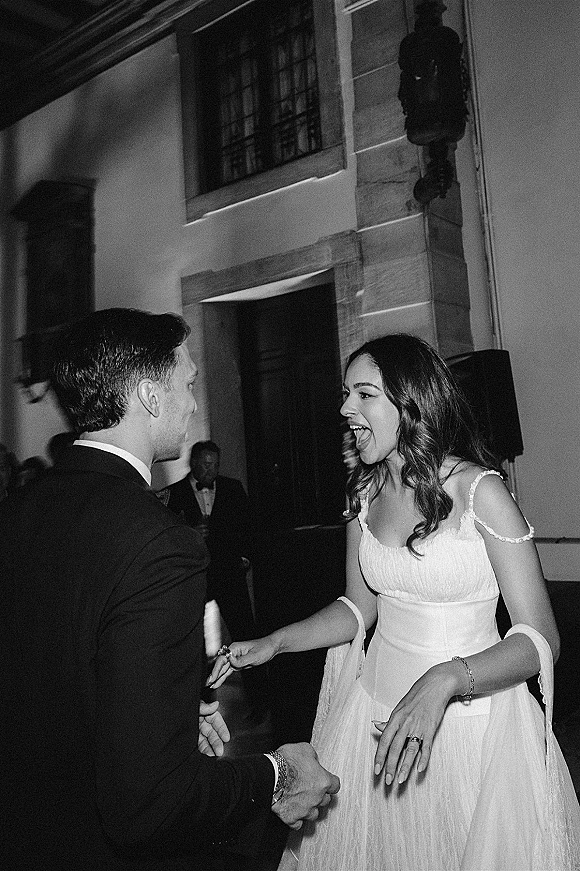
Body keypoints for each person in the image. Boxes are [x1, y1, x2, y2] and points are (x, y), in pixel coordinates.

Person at [210, 333, 580, 870]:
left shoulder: (481, 491)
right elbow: (359, 609)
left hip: (469, 728)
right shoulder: (364, 492)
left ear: (411, 402)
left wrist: (445, 679)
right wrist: (276, 642)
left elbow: (541, 637)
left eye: (364, 394)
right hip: (371, 717)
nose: (345, 409)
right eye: (346, 394)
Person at [0, 308, 339, 871]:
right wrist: (276, 775)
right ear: (150, 395)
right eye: (187, 384)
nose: (194, 405)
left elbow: (54, 674)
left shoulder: (19, 510)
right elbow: (149, 805)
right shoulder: (160, 544)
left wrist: (163, 714)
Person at [166, 440, 268, 722]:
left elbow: (248, 525)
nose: (211, 471)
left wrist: (245, 556)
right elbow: (168, 538)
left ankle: (260, 704)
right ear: (193, 464)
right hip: (194, 577)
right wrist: (189, 533)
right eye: (206, 465)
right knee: (193, 642)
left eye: (215, 465)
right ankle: (200, 706)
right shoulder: (174, 493)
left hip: (229, 574)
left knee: (245, 635)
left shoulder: (232, 488)